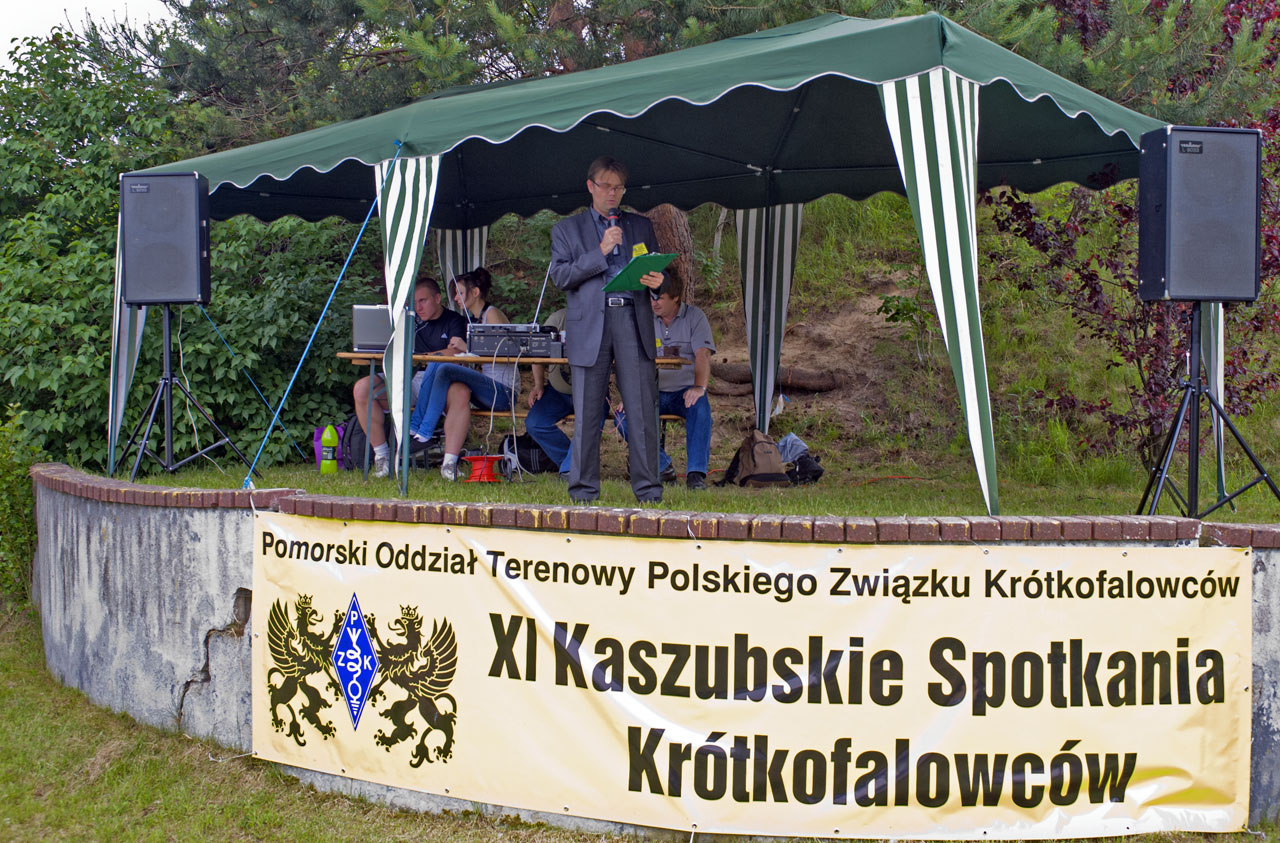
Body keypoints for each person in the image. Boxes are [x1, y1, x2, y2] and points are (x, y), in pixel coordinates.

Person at [549, 156, 666, 504]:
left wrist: (659, 282)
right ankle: (583, 492)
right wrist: (600, 251)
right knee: (587, 413)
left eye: (618, 187)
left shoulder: (641, 227)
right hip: (590, 327)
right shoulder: (567, 230)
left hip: (632, 319)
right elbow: (561, 276)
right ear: (591, 186)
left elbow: (659, 272)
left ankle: (648, 491)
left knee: (641, 410)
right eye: (605, 186)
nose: (612, 193)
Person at [406, 268, 519, 480]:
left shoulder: (491, 314)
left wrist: (467, 348)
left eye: (459, 293)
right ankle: (422, 434)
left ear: (475, 292)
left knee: (441, 364)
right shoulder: (474, 319)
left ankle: (421, 431)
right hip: (487, 390)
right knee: (443, 368)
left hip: (502, 391)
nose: (455, 298)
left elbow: (504, 352)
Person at [353, 274, 467, 479]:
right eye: (414, 303)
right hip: (407, 379)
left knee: (460, 392)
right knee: (362, 388)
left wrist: (424, 357)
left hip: (440, 383)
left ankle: (449, 463)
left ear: (437, 298)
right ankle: (382, 457)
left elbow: (456, 352)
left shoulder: (454, 320)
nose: (418, 307)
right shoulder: (408, 320)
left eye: (423, 301)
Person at [648, 273, 715, 490]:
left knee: (700, 408)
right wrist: (632, 393)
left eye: (660, 298)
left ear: (675, 297)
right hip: (652, 392)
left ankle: (695, 474)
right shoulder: (645, 318)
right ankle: (663, 465)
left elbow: (703, 354)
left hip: (683, 391)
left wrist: (699, 387)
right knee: (624, 417)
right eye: (651, 298)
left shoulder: (694, 317)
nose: (654, 303)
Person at [524, 308, 610, 477]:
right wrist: (538, 385)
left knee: (590, 422)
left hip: (593, 392)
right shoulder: (558, 318)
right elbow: (537, 349)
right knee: (535, 423)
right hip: (558, 392)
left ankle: (571, 470)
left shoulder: (604, 318)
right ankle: (572, 464)